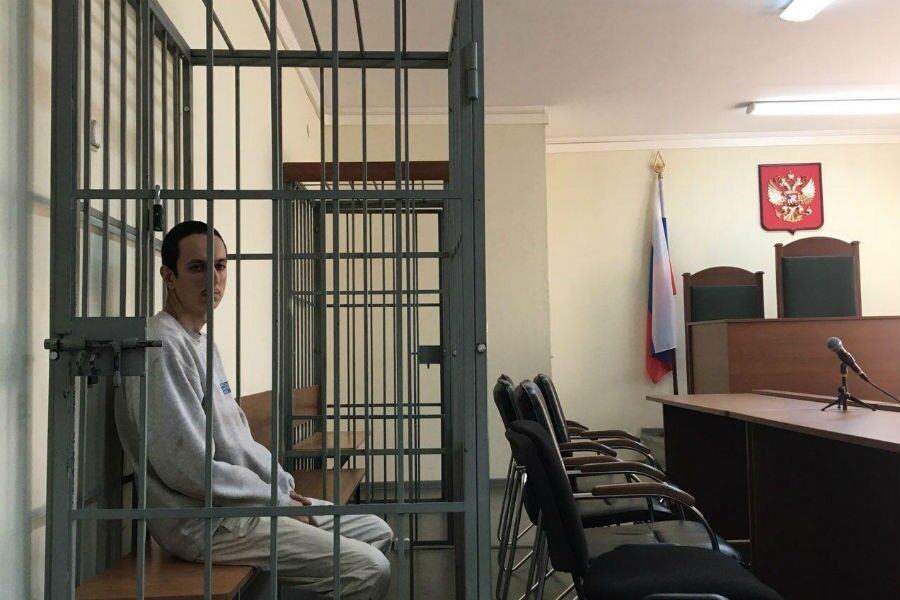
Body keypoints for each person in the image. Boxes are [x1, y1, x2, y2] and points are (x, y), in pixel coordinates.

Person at [116, 220, 392, 599]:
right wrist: (275, 501)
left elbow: (238, 441)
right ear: (169, 276)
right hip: (205, 522)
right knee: (369, 567)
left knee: (376, 530)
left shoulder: (201, 343)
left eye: (219, 266)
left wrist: (281, 490)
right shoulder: (161, 347)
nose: (212, 279)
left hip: (243, 505)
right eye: (196, 267)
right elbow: (189, 469)